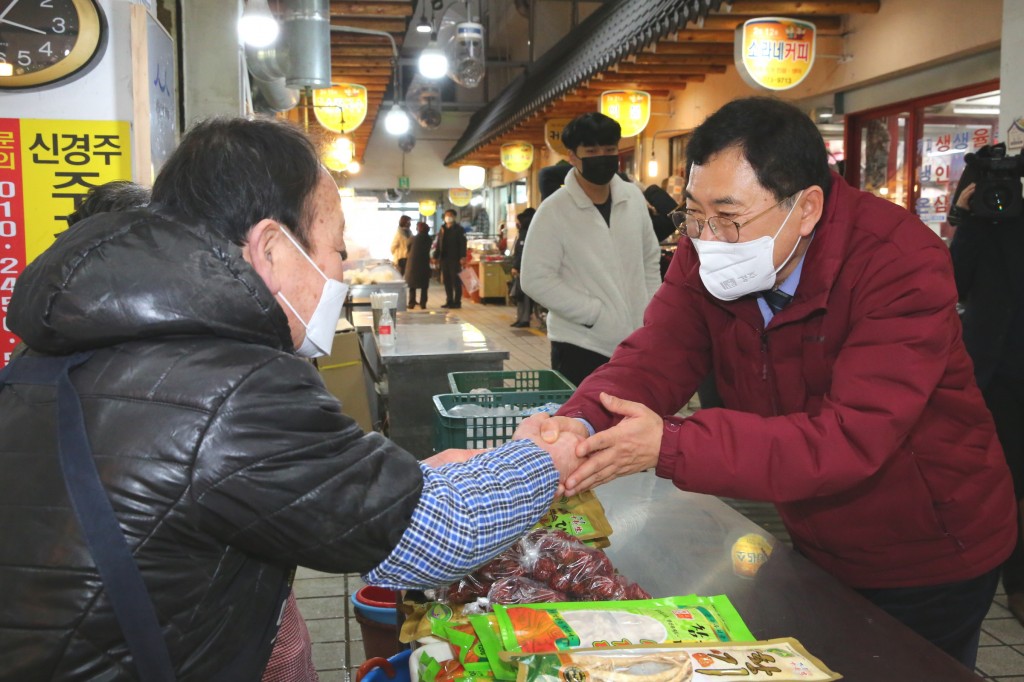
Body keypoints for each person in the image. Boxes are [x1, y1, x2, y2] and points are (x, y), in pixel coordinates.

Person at [0, 117, 583, 680]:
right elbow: (434, 536)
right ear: (272, 249)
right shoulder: (233, 382)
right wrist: (538, 457)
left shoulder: (75, 343)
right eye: (335, 247)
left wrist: (402, 482)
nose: (343, 267)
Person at [540, 97, 1017, 669]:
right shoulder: (709, 249)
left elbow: (850, 437)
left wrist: (672, 444)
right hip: (817, 531)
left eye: (729, 216)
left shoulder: (898, 262)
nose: (708, 236)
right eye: (693, 213)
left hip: (931, 545)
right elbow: (655, 354)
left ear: (807, 207)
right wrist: (580, 419)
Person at [520, 112, 661, 386]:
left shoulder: (632, 198)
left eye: (609, 150)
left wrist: (650, 312)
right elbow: (535, 278)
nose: (602, 157)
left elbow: (649, 259)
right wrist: (592, 314)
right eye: (592, 150)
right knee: (582, 426)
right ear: (573, 156)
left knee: (631, 424)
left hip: (637, 343)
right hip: (580, 345)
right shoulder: (554, 210)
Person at [949, 165, 1024, 626]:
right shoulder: (989, 222)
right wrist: (966, 218)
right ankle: (1016, 582)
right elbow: (954, 284)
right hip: (998, 370)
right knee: (1010, 479)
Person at [434, 208, 467, 308]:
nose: (448, 217)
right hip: (444, 258)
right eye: (446, 215)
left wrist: (462, 256)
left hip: (455, 258)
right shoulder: (442, 229)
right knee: (447, 280)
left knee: (455, 281)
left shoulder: (459, 229)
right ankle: (449, 301)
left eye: (450, 215)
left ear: (454, 217)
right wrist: (436, 256)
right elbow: (439, 243)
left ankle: (457, 302)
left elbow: (462, 244)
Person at [510, 208, 536, 328]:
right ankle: (520, 318)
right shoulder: (525, 232)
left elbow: (522, 253)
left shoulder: (525, 234)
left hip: (524, 269)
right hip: (524, 268)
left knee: (523, 296)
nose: (517, 224)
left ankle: (524, 319)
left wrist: (516, 267)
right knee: (520, 296)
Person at [405, 220, 433, 309]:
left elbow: (408, 247)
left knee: (412, 286)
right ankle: (423, 303)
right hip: (424, 263)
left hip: (412, 264)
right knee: (424, 285)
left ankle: (411, 303)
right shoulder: (429, 239)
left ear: (418, 229)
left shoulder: (413, 238)